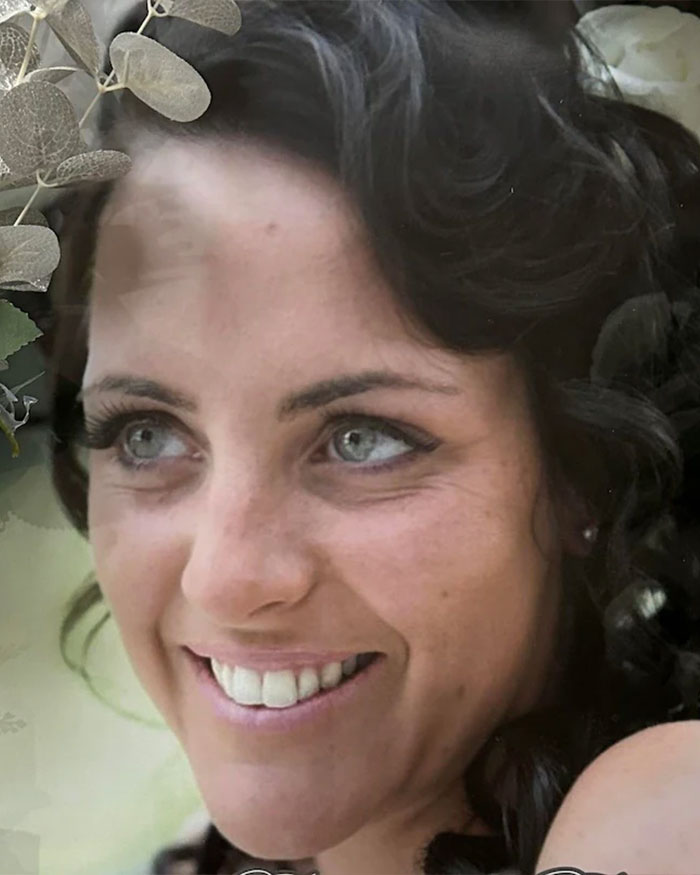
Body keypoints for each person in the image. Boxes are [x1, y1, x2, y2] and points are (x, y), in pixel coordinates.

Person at [43, 1, 700, 873]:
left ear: (583, 466)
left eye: (361, 439)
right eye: (146, 435)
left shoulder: (666, 815)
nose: (225, 579)